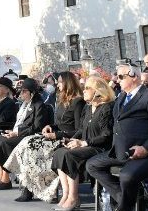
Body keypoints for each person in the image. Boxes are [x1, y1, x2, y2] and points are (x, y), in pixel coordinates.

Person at [86, 64, 148, 211]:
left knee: (127, 175)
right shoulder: (121, 96)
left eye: (121, 77)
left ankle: (125, 207)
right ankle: (125, 199)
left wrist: (146, 148)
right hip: (120, 151)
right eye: (117, 77)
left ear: (134, 76)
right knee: (92, 165)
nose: (117, 80)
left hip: (143, 154)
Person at [10, 71, 86, 202]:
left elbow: (79, 130)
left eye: (61, 81)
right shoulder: (62, 100)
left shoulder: (78, 102)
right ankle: (27, 187)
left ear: (68, 83)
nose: (58, 84)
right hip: (55, 135)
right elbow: (59, 123)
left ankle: (43, 190)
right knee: (26, 142)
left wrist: (57, 134)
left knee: (32, 149)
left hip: (66, 139)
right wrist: (50, 126)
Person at [53, 75, 116, 211]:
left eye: (87, 88)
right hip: (87, 144)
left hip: (100, 147)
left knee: (70, 156)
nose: (84, 90)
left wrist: (83, 143)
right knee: (60, 151)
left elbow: (106, 135)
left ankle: (74, 198)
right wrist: (71, 140)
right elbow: (81, 129)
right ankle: (66, 194)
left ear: (98, 90)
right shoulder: (88, 108)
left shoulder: (107, 108)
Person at [0, 77, 53, 190]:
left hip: (30, 136)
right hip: (19, 133)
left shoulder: (39, 105)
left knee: (3, 143)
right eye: (21, 91)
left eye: (24, 91)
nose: (21, 93)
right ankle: (1, 177)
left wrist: (16, 133)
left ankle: (6, 179)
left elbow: (37, 127)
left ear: (32, 93)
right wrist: (12, 132)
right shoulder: (24, 105)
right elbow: (19, 122)